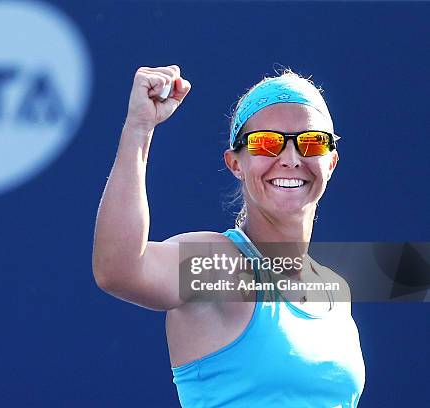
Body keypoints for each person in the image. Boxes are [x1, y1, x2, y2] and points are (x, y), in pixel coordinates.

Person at [92, 65, 365, 407]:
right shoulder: (220, 269)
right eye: (266, 143)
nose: (291, 159)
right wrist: (139, 129)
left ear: (332, 162)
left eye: (311, 143)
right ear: (236, 163)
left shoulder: (335, 291)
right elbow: (118, 269)